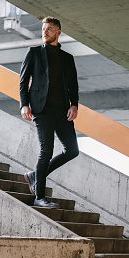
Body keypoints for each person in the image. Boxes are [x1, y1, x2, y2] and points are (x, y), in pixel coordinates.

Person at [19, 16, 80, 208]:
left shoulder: (67, 59)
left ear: (58, 32)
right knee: (46, 150)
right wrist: (24, 104)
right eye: (44, 29)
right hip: (42, 109)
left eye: (49, 29)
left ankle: (34, 175)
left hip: (62, 111)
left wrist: (74, 104)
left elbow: (73, 86)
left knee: (72, 150)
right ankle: (39, 197)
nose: (45, 32)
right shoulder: (34, 53)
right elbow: (23, 81)